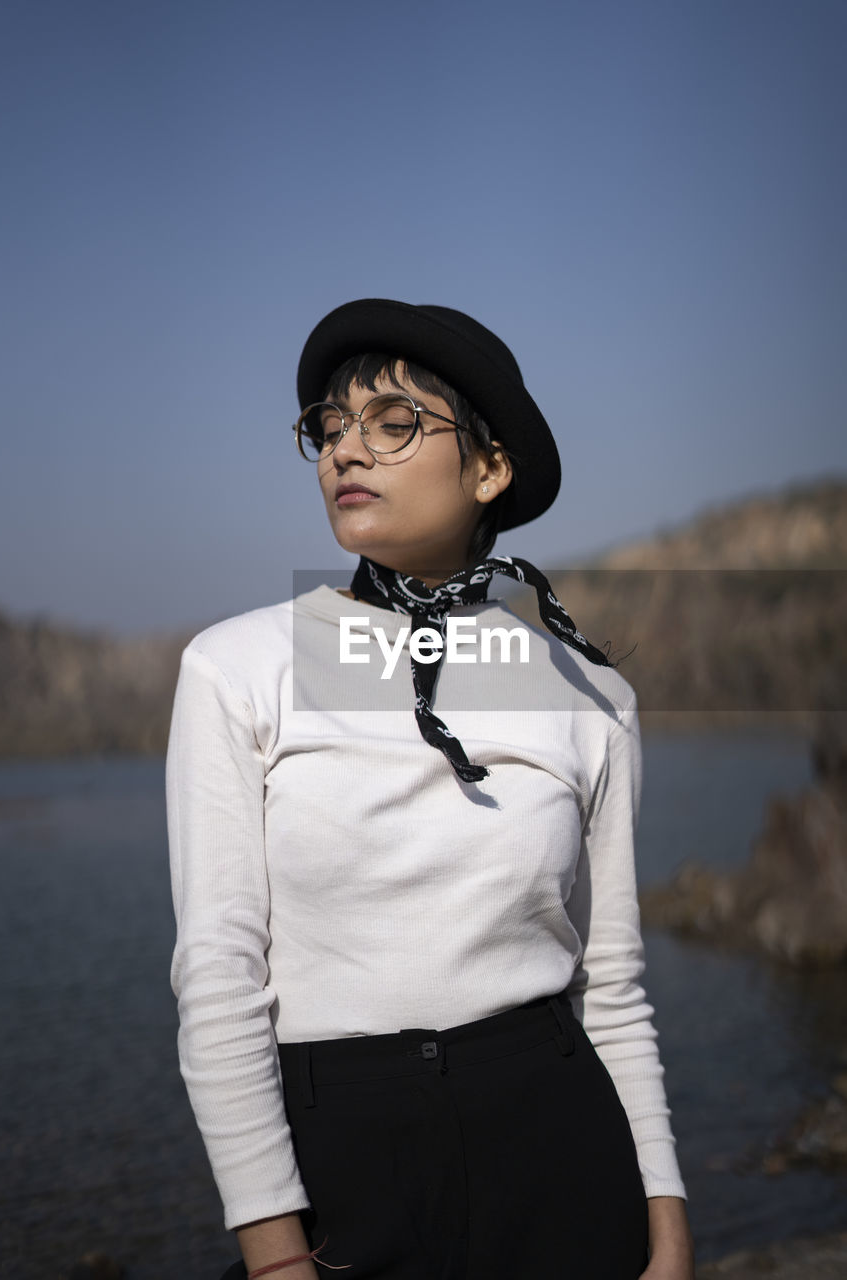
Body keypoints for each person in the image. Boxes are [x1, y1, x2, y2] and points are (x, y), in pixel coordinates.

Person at [167, 299, 696, 1280]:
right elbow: (218, 973)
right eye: (328, 427)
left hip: (561, 1149)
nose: (344, 451)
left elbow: (611, 984)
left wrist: (666, 1222)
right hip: (343, 1163)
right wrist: (275, 1250)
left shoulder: (594, 695)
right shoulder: (235, 666)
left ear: (490, 466)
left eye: (392, 422)